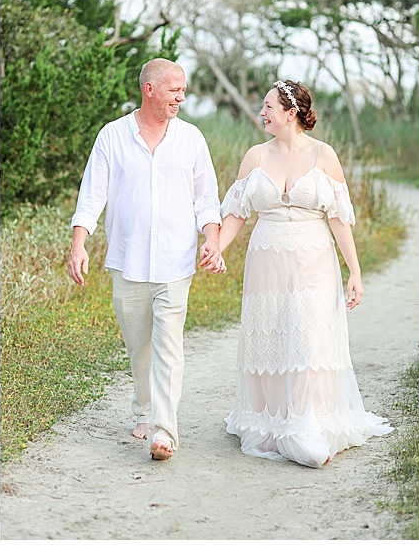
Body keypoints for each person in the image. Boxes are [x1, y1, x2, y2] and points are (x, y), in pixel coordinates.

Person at [217, 79, 393, 468]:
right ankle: (271, 420)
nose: (261, 112)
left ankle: (306, 423)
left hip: (315, 259)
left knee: (309, 337)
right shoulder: (255, 156)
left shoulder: (324, 156)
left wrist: (355, 272)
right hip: (266, 261)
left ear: (290, 112)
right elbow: (236, 214)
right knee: (272, 335)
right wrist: (216, 248)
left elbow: (339, 220)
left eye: (268, 107)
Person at [67, 58, 225, 461]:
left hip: (176, 261)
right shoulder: (112, 136)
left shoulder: (191, 138)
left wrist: (212, 240)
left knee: (169, 344)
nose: (181, 97)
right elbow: (92, 196)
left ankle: (163, 431)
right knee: (139, 345)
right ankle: (144, 408)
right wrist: (78, 244)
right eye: (175, 89)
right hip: (128, 259)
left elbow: (206, 199)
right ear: (149, 89)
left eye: (184, 90)